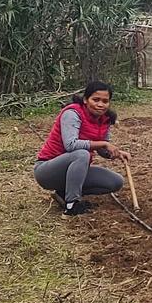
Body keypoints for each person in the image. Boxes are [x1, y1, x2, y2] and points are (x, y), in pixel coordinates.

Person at [34, 81, 130, 217]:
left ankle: (63, 193)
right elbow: (71, 145)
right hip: (47, 171)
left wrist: (115, 153)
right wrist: (103, 144)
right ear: (85, 99)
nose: (100, 104)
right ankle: (71, 205)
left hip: (74, 170)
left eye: (105, 101)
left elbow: (102, 150)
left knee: (115, 182)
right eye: (96, 100)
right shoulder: (72, 113)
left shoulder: (105, 119)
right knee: (81, 154)